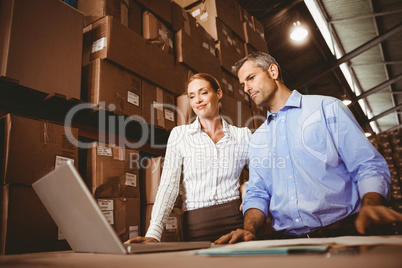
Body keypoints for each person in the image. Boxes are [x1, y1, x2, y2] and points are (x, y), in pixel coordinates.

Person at [215, 52, 402, 244]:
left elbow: (366, 164)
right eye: (242, 84)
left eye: (251, 78)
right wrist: (249, 229)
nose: (246, 88)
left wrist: (370, 203)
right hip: (289, 241)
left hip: (345, 233)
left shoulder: (327, 108)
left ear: (273, 71)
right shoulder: (257, 140)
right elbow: (258, 193)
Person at [125, 73, 251, 243]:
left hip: (236, 223)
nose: (197, 100)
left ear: (219, 93)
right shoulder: (180, 135)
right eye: (192, 96)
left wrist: (247, 186)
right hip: (196, 225)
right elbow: (168, 186)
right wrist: (153, 234)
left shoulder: (242, 136)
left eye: (203, 92)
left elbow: (264, 176)